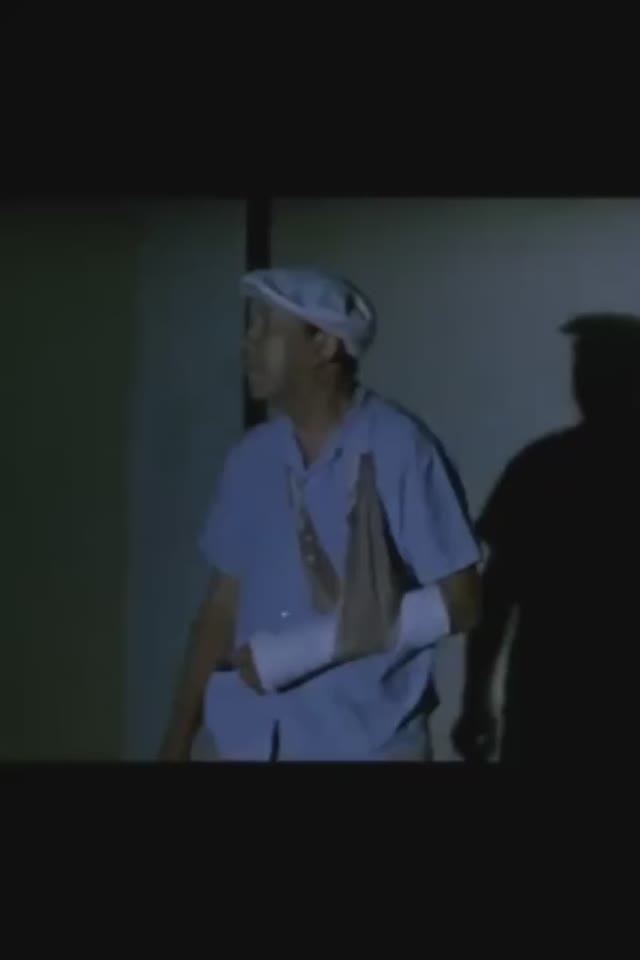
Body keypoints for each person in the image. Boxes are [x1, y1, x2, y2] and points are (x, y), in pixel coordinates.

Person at [160, 268, 481, 762]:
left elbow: (462, 601)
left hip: (364, 749)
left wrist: (303, 650)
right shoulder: (251, 459)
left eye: (266, 327)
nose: (248, 342)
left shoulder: (400, 447)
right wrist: (177, 740)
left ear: (324, 345)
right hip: (252, 747)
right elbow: (221, 608)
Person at [452, 312, 640, 765]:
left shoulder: (543, 466)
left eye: (592, 368)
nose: (581, 381)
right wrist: (476, 699)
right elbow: (495, 596)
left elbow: (496, 598)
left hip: (548, 710)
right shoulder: (540, 467)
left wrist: (476, 700)